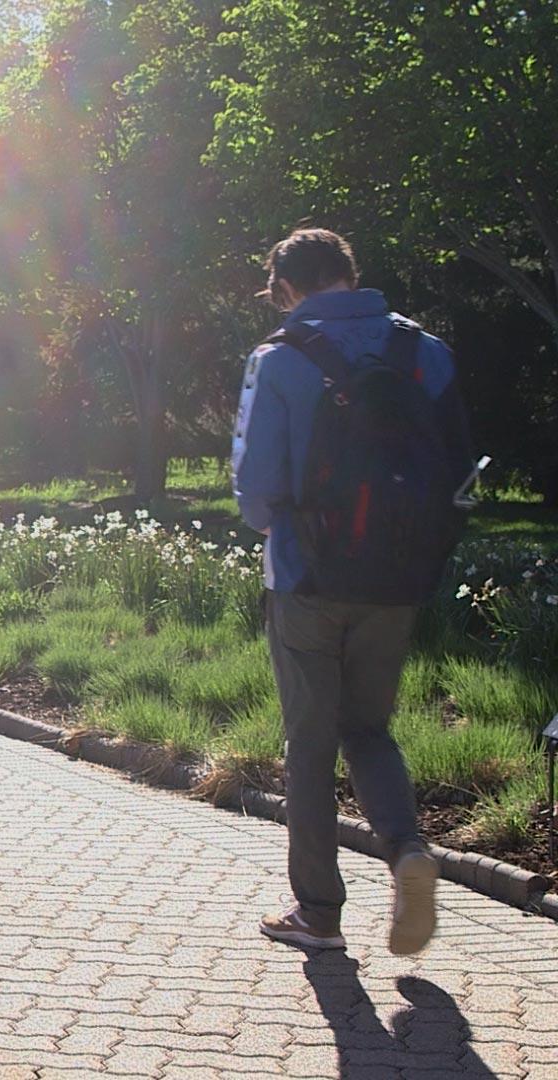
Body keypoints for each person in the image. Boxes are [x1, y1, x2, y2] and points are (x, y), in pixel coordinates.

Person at [233, 227, 473, 956]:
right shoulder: (426, 352)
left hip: (308, 574)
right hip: (398, 576)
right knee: (368, 730)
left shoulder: (277, 358)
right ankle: (406, 851)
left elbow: (256, 487)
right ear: (351, 273)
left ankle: (319, 913)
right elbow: (459, 469)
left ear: (284, 288)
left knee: (309, 745)